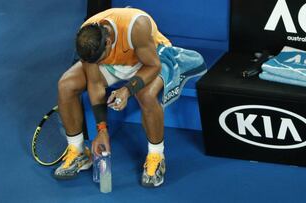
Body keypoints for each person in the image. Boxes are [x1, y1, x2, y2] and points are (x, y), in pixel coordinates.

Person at [53, 7, 206, 187]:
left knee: (146, 94)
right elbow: (95, 83)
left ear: (109, 41)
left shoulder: (136, 26)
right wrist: (102, 130)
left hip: (148, 60)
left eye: (100, 58)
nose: (97, 64)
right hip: (115, 65)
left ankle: (156, 156)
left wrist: (127, 89)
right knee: (66, 85)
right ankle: (77, 151)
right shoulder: (87, 38)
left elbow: (153, 66)